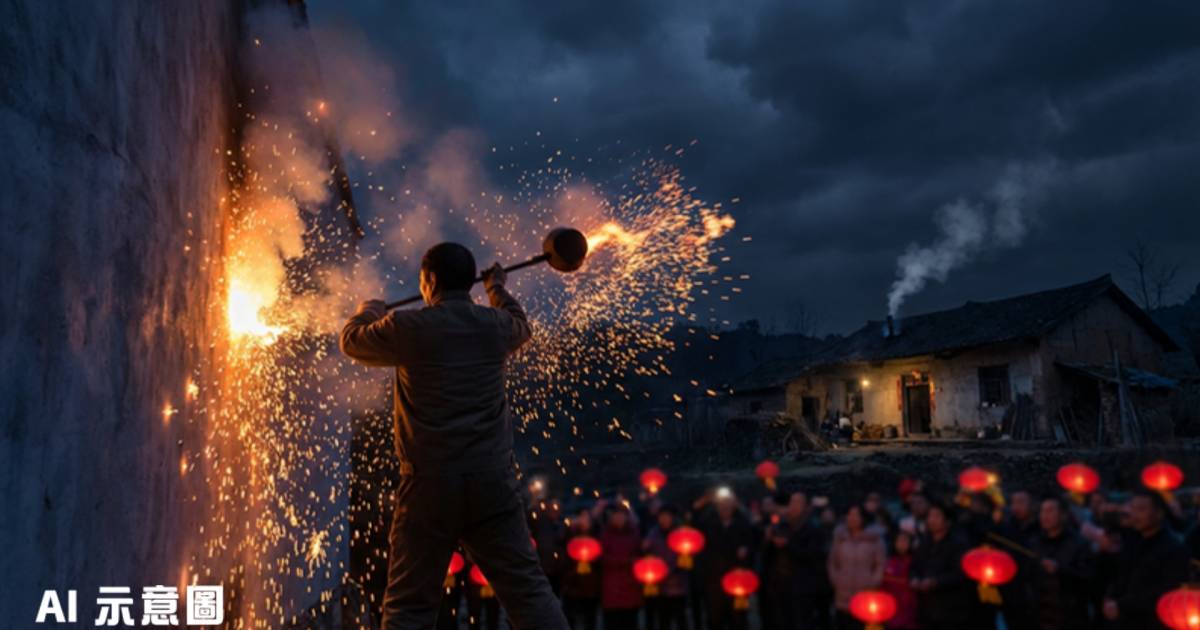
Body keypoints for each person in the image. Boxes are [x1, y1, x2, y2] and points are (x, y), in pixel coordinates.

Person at [340, 242, 568, 630]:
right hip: (491, 481)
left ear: (428, 281)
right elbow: (519, 322)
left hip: (429, 483)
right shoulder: (494, 327)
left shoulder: (407, 327)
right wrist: (497, 288)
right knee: (528, 593)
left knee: (409, 604)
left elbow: (352, 342)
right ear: (470, 283)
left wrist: (368, 312)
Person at [1102, 490, 1189, 629]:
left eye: (1141, 509)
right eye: (1133, 509)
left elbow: (1168, 591)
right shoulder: (1132, 539)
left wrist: (1123, 605)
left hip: (1153, 621)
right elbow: (1119, 576)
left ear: (1159, 513)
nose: (1135, 515)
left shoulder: (1173, 547)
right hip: (1125, 620)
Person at [761, 492, 828, 629]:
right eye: (792, 502)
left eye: (798, 502)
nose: (794, 506)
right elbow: (767, 555)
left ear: (806, 507)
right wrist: (768, 540)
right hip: (780, 585)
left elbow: (813, 556)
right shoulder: (782, 525)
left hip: (802, 586)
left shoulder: (813, 528)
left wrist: (788, 544)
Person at [695, 488, 758, 630]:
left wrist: (746, 551)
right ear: (717, 506)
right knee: (714, 617)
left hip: (737, 578)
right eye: (722, 505)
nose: (725, 508)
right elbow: (697, 539)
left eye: (729, 504)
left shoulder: (743, 523)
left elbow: (753, 544)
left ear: (734, 505)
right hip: (714, 578)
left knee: (738, 618)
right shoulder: (708, 523)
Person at [1030, 496, 1094, 630]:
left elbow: (1088, 578)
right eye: (1042, 511)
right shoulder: (1034, 542)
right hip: (1039, 616)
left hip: (1069, 616)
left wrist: (1060, 570)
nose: (1044, 516)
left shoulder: (1079, 543)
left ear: (1063, 515)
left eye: (1050, 511)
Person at [911, 502, 972, 630]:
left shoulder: (958, 544)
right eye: (930, 516)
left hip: (950, 608)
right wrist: (914, 578)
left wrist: (936, 582)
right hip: (926, 606)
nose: (931, 520)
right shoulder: (924, 542)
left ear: (947, 522)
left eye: (937, 516)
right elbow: (914, 566)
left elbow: (960, 573)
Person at [827, 504, 886, 629]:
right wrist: (836, 580)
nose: (852, 518)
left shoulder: (874, 539)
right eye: (850, 514)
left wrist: (873, 582)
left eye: (856, 515)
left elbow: (880, 564)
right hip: (842, 594)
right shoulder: (840, 537)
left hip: (865, 594)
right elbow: (833, 562)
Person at [598, 505, 644, 630]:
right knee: (612, 623)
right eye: (616, 515)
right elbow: (602, 558)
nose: (619, 518)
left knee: (630, 622)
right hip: (611, 589)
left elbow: (640, 555)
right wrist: (627, 562)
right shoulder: (605, 534)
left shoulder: (634, 533)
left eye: (622, 515)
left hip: (631, 587)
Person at [643, 506, 689, 630]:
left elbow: (688, 557)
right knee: (663, 620)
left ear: (672, 517)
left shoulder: (681, 533)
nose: (664, 519)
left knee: (681, 619)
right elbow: (646, 551)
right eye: (662, 516)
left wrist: (675, 568)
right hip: (660, 585)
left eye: (667, 516)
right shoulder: (653, 534)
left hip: (678, 585)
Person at [560, 510, 601, 630]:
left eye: (587, 518)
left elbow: (600, 561)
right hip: (572, 586)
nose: (584, 521)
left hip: (591, 587)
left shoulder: (597, 536)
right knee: (570, 619)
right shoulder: (570, 535)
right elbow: (562, 555)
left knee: (590, 620)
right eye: (581, 517)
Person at [882, 530, 919, 630]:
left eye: (905, 541)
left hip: (909, 607)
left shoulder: (916, 562)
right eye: (899, 541)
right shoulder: (887, 561)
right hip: (890, 606)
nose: (902, 544)